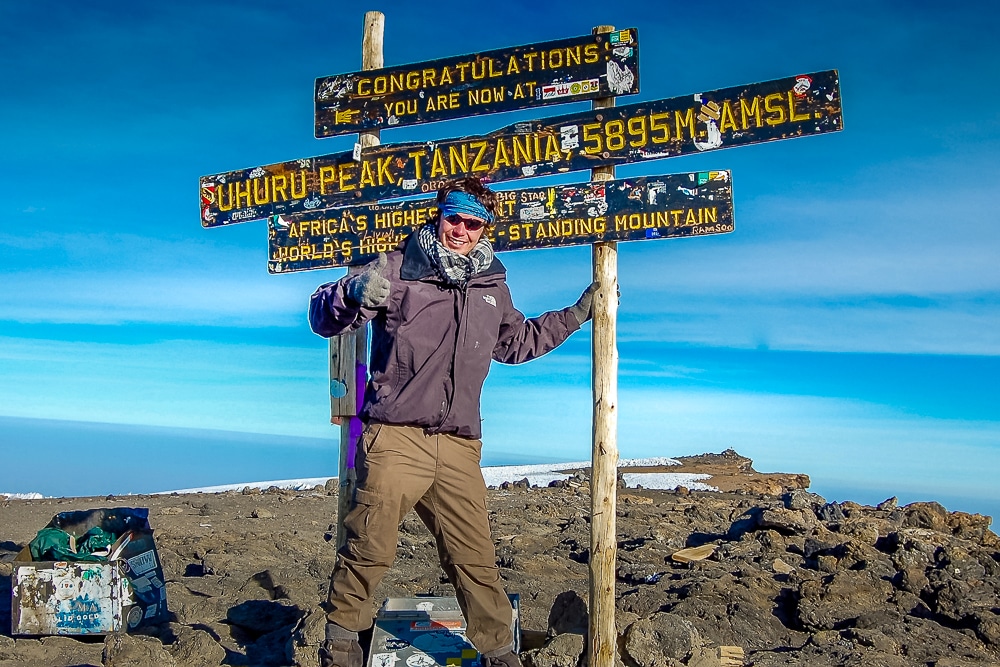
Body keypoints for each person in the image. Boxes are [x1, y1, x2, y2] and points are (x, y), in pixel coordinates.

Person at [308, 176, 599, 667]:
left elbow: (516, 343)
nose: (461, 229)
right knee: (368, 547)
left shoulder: (492, 287)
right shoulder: (397, 269)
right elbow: (323, 316)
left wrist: (574, 316)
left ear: (485, 229)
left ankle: (499, 653)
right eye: (454, 218)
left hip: (460, 446)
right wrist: (353, 292)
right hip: (395, 436)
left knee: (476, 561)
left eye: (473, 222)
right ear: (438, 215)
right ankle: (342, 645)